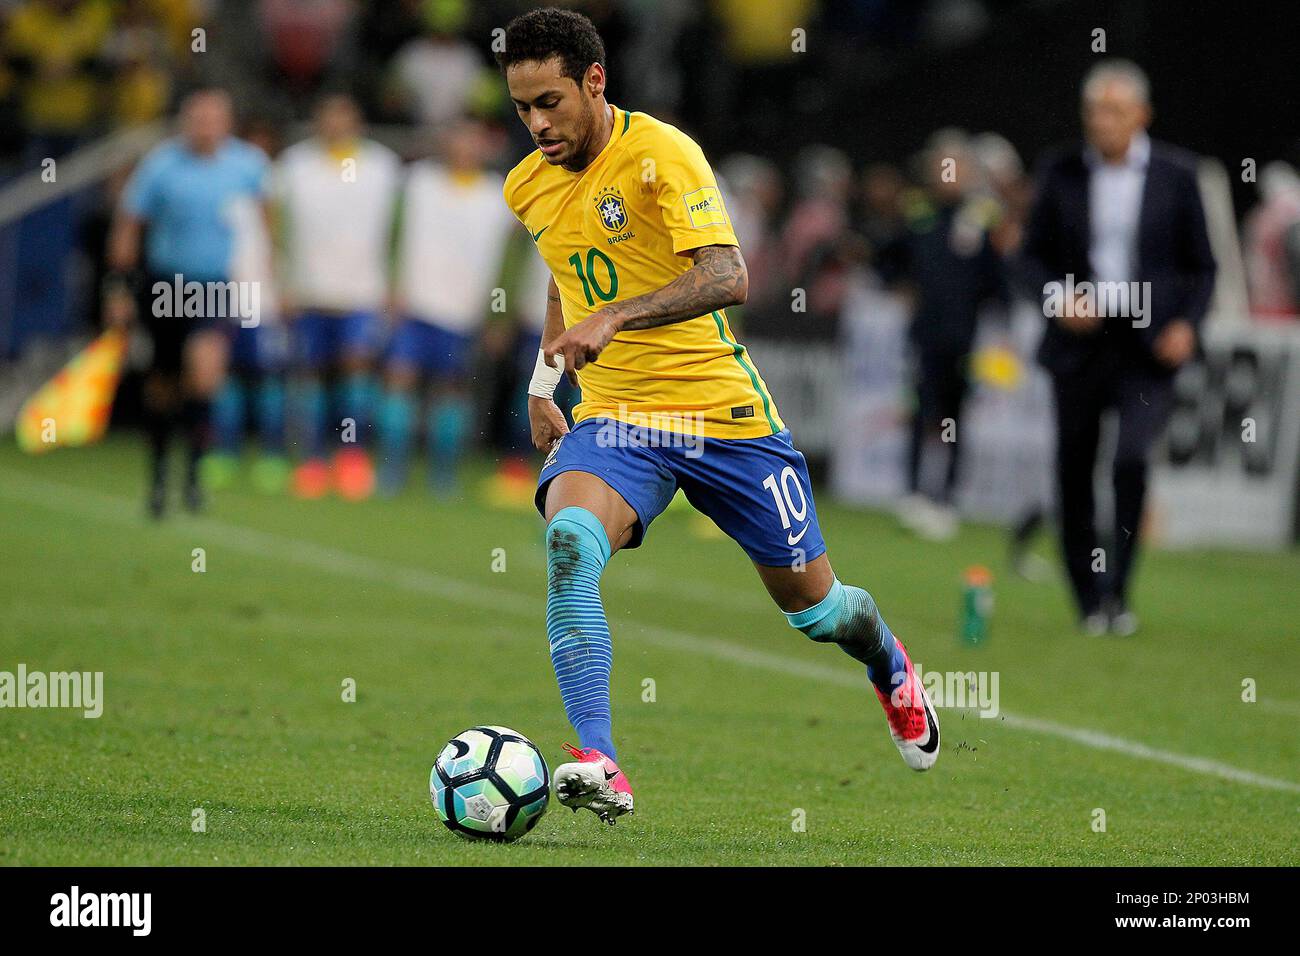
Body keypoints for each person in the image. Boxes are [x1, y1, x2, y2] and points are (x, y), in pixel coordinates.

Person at [495, 7, 939, 825]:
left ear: (595, 81)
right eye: (522, 107)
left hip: (723, 417)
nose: (537, 124)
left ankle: (885, 655)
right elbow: (565, 274)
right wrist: (541, 377)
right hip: (618, 420)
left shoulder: (662, 154)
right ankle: (601, 759)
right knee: (567, 545)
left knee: (817, 611)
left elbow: (729, 274)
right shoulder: (527, 182)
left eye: (550, 102)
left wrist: (617, 315)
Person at [1020, 60, 1216, 636]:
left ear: (1142, 116)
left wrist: (1189, 325)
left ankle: (1118, 590)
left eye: (1113, 112)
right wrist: (1060, 300)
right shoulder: (1060, 171)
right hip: (1079, 345)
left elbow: (1202, 266)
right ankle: (1087, 599)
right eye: (1093, 112)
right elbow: (1030, 259)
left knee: (1131, 459)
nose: (1100, 123)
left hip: (1146, 346)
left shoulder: (1179, 176)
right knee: (1073, 467)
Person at [105, 87, 269, 517]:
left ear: (228, 123)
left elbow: (266, 223)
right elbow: (129, 226)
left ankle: (194, 478)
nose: (206, 127)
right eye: (198, 118)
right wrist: (119, 289)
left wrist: (268, 277)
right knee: (163, 382)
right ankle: (159, 477)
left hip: (215, 286)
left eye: (214, 118)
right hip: (165, 283)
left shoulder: (248, 166)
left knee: (205, 376)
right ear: (185, 120)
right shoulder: (161, 165)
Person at [879, 130, 1008, 540]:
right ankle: (914, 493)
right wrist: (898, 284)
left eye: (954, 167)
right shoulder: (919, 213)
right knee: (921, 410)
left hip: (964, 337)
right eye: (940, 167)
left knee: (955, 417)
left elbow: (997, 277)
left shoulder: (982, 216)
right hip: (925, 335)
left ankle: (947, 498)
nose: (947, 175)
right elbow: (889, 256)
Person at [273, 93, 401, 500]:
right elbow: (276, 227)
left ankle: (351, 459)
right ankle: (311, 461)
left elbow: (400, 230)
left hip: (363, 291)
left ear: (357, 122)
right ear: (317, 120)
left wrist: (395, 284)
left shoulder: (383, 167)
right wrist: (282, 281)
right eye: (328, 116)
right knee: (308, 376)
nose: (336, 124)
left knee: (356, 374)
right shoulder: (293, 165)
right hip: (308, 290)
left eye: (344, 116)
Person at [378, 118, 514, 494]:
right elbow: (394, 233)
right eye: (458, 138)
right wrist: (391, 285)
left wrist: (497, 313)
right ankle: (392, 469)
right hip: (416, 302)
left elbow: (506, 262)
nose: (464, 147)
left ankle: (443, 474)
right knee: (399, 381)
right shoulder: (420, 182)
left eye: (473, 140)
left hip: (463, 309)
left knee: (450, 391)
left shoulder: (497, 195)